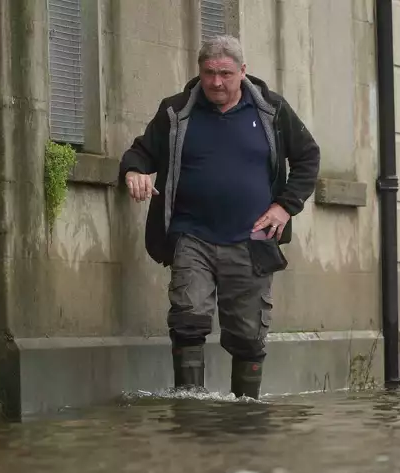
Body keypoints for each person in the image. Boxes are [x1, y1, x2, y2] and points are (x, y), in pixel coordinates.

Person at [118, 35, 320, 400]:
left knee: (247, 335)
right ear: (199, 71)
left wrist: (285, 206)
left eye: (225, 73)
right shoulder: (176, 111)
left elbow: (308, 157)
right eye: (209, 72)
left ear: (243, 71)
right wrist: (134, 171)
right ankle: (189, 404)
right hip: (191, 234)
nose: (216, 82)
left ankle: (245, 412)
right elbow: (141, 151)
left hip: (253, 238)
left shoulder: (272, 111)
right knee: (188, 317)